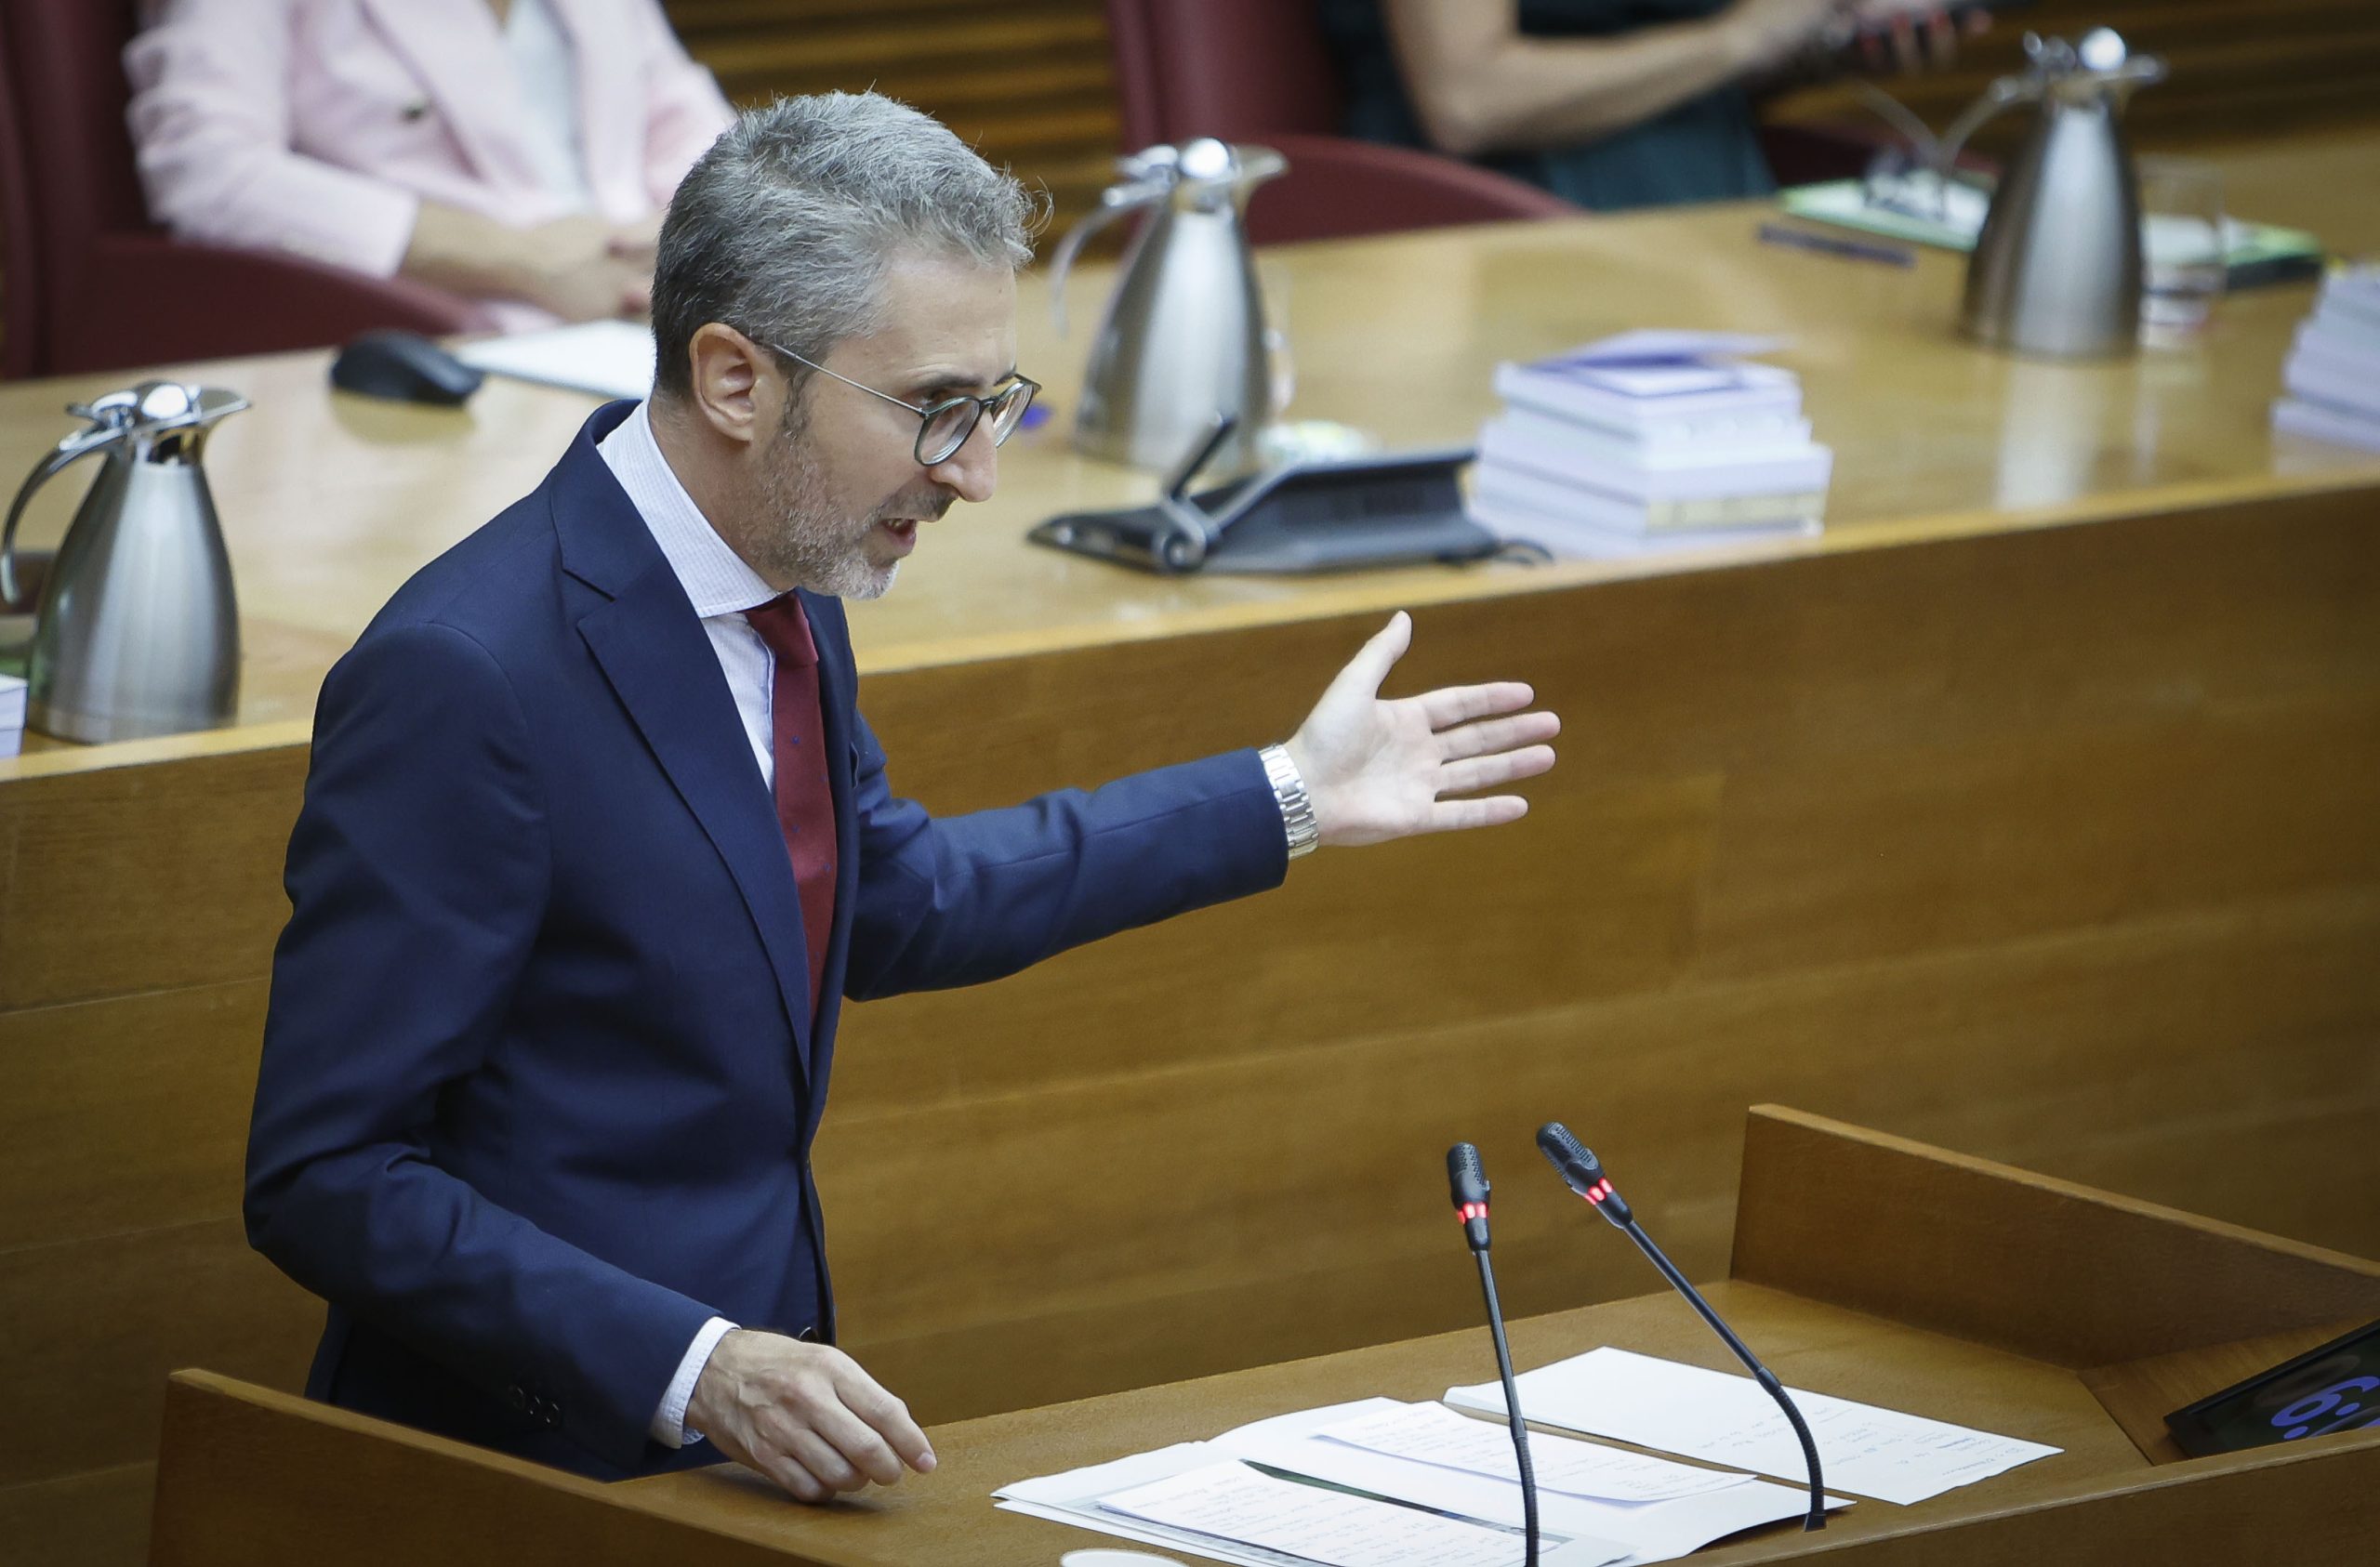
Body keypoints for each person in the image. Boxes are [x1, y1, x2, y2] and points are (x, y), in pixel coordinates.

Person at [246, 91, 1562, 1502]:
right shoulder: (466, 674)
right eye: (938, 412)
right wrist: (697, 1363)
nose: (980, 476)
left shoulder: (781, 575)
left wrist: (1289, 794)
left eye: (992, 405)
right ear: (738, 380)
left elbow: (889, 897)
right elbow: (327, 1170)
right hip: (518, 1476)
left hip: (737, 1456)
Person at [123, 0, 735, 330]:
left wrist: (664, 241)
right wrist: (523, 261)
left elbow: (688, 122)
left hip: (647, 306)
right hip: (439, 328)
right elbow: (210, 170)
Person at [1318, 0, 1981, 212]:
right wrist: (1743, 37)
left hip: (1709, 190)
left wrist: (1826, 42)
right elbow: (1465, 100)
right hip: (1498, 205)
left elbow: (1689, 69)